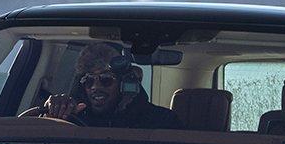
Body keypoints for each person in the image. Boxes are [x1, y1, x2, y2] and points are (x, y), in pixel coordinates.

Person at [35, 43, 181, 129]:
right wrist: (52, 112)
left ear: (124, 83)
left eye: (106, 79)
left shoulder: (162, 121)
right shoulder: (71, 117)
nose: (95, 87)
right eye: (89, 80)